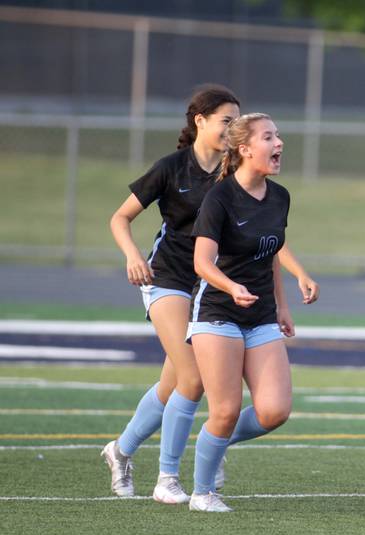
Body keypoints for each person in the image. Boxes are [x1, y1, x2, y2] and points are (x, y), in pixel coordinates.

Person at [104, 85, 241, 503]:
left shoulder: (234, 171)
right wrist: (131, 256)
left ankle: (121, 450)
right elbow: (119, 218)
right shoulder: (171, 168)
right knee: (194, 378)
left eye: (238, 122)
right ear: (199, 120)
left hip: (208, 284)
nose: (233, 129)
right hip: (165, 279)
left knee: (173, 383)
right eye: (226, 121)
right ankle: (168, 479)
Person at [186, 112, 317, 512]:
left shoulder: (280, 196)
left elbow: (271, 250)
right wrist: (231, 286)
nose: (278, 143)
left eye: (278, 135)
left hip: (259, 314)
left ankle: (216, 441)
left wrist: (281, 303)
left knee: (275, 410)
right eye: (268, 137)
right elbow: (202, 262)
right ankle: (202, 493)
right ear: (244, 149)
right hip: (216, 311)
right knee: (223, 410)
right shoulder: (220, 197)